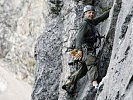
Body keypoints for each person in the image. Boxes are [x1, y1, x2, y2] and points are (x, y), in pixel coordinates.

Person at [62, 5, 110, 93]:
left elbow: (101, 18)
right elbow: (79, 37)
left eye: (92, 13)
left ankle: (69, 82)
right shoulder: (84, 23)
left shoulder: (91, 23)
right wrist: (79, 51)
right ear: (85, 14)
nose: (91, 14)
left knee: (83, 70)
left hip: (85, 50)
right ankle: (95, 85)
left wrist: (112, 9)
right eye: (89, 13)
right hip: (85, 49)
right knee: (91, 64)